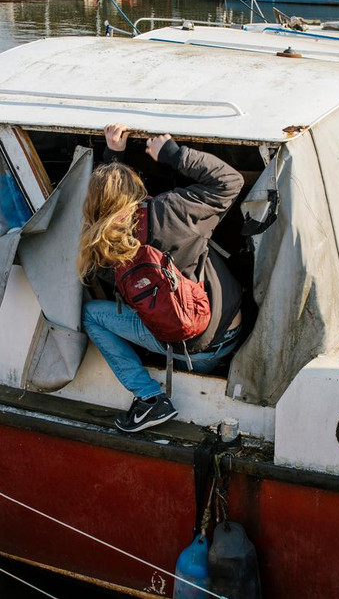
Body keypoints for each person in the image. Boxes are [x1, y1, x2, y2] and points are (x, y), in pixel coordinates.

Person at [78, 123, 244, 433]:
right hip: (224, 338)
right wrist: (174, 154)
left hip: (182, 346)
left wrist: (113, 157)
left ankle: (148, 398)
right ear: (135, 189)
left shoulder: (102, 244)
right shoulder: (171, 211)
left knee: (91, 316)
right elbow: (230, 181)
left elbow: (109, 208)